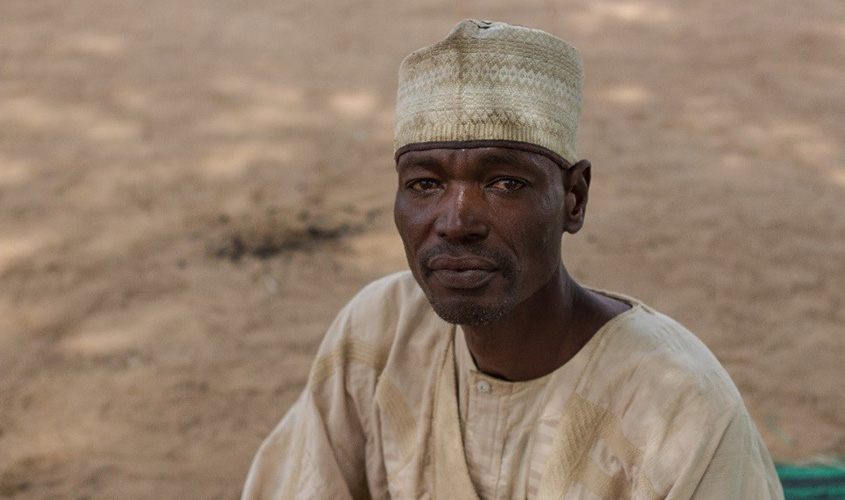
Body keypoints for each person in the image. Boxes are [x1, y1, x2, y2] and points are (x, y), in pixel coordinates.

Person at [242, 20, 784, 500]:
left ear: (574, 198)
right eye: (425, 184)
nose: (456, 222)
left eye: (504, 182)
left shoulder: (679, 410)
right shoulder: (380, 335)